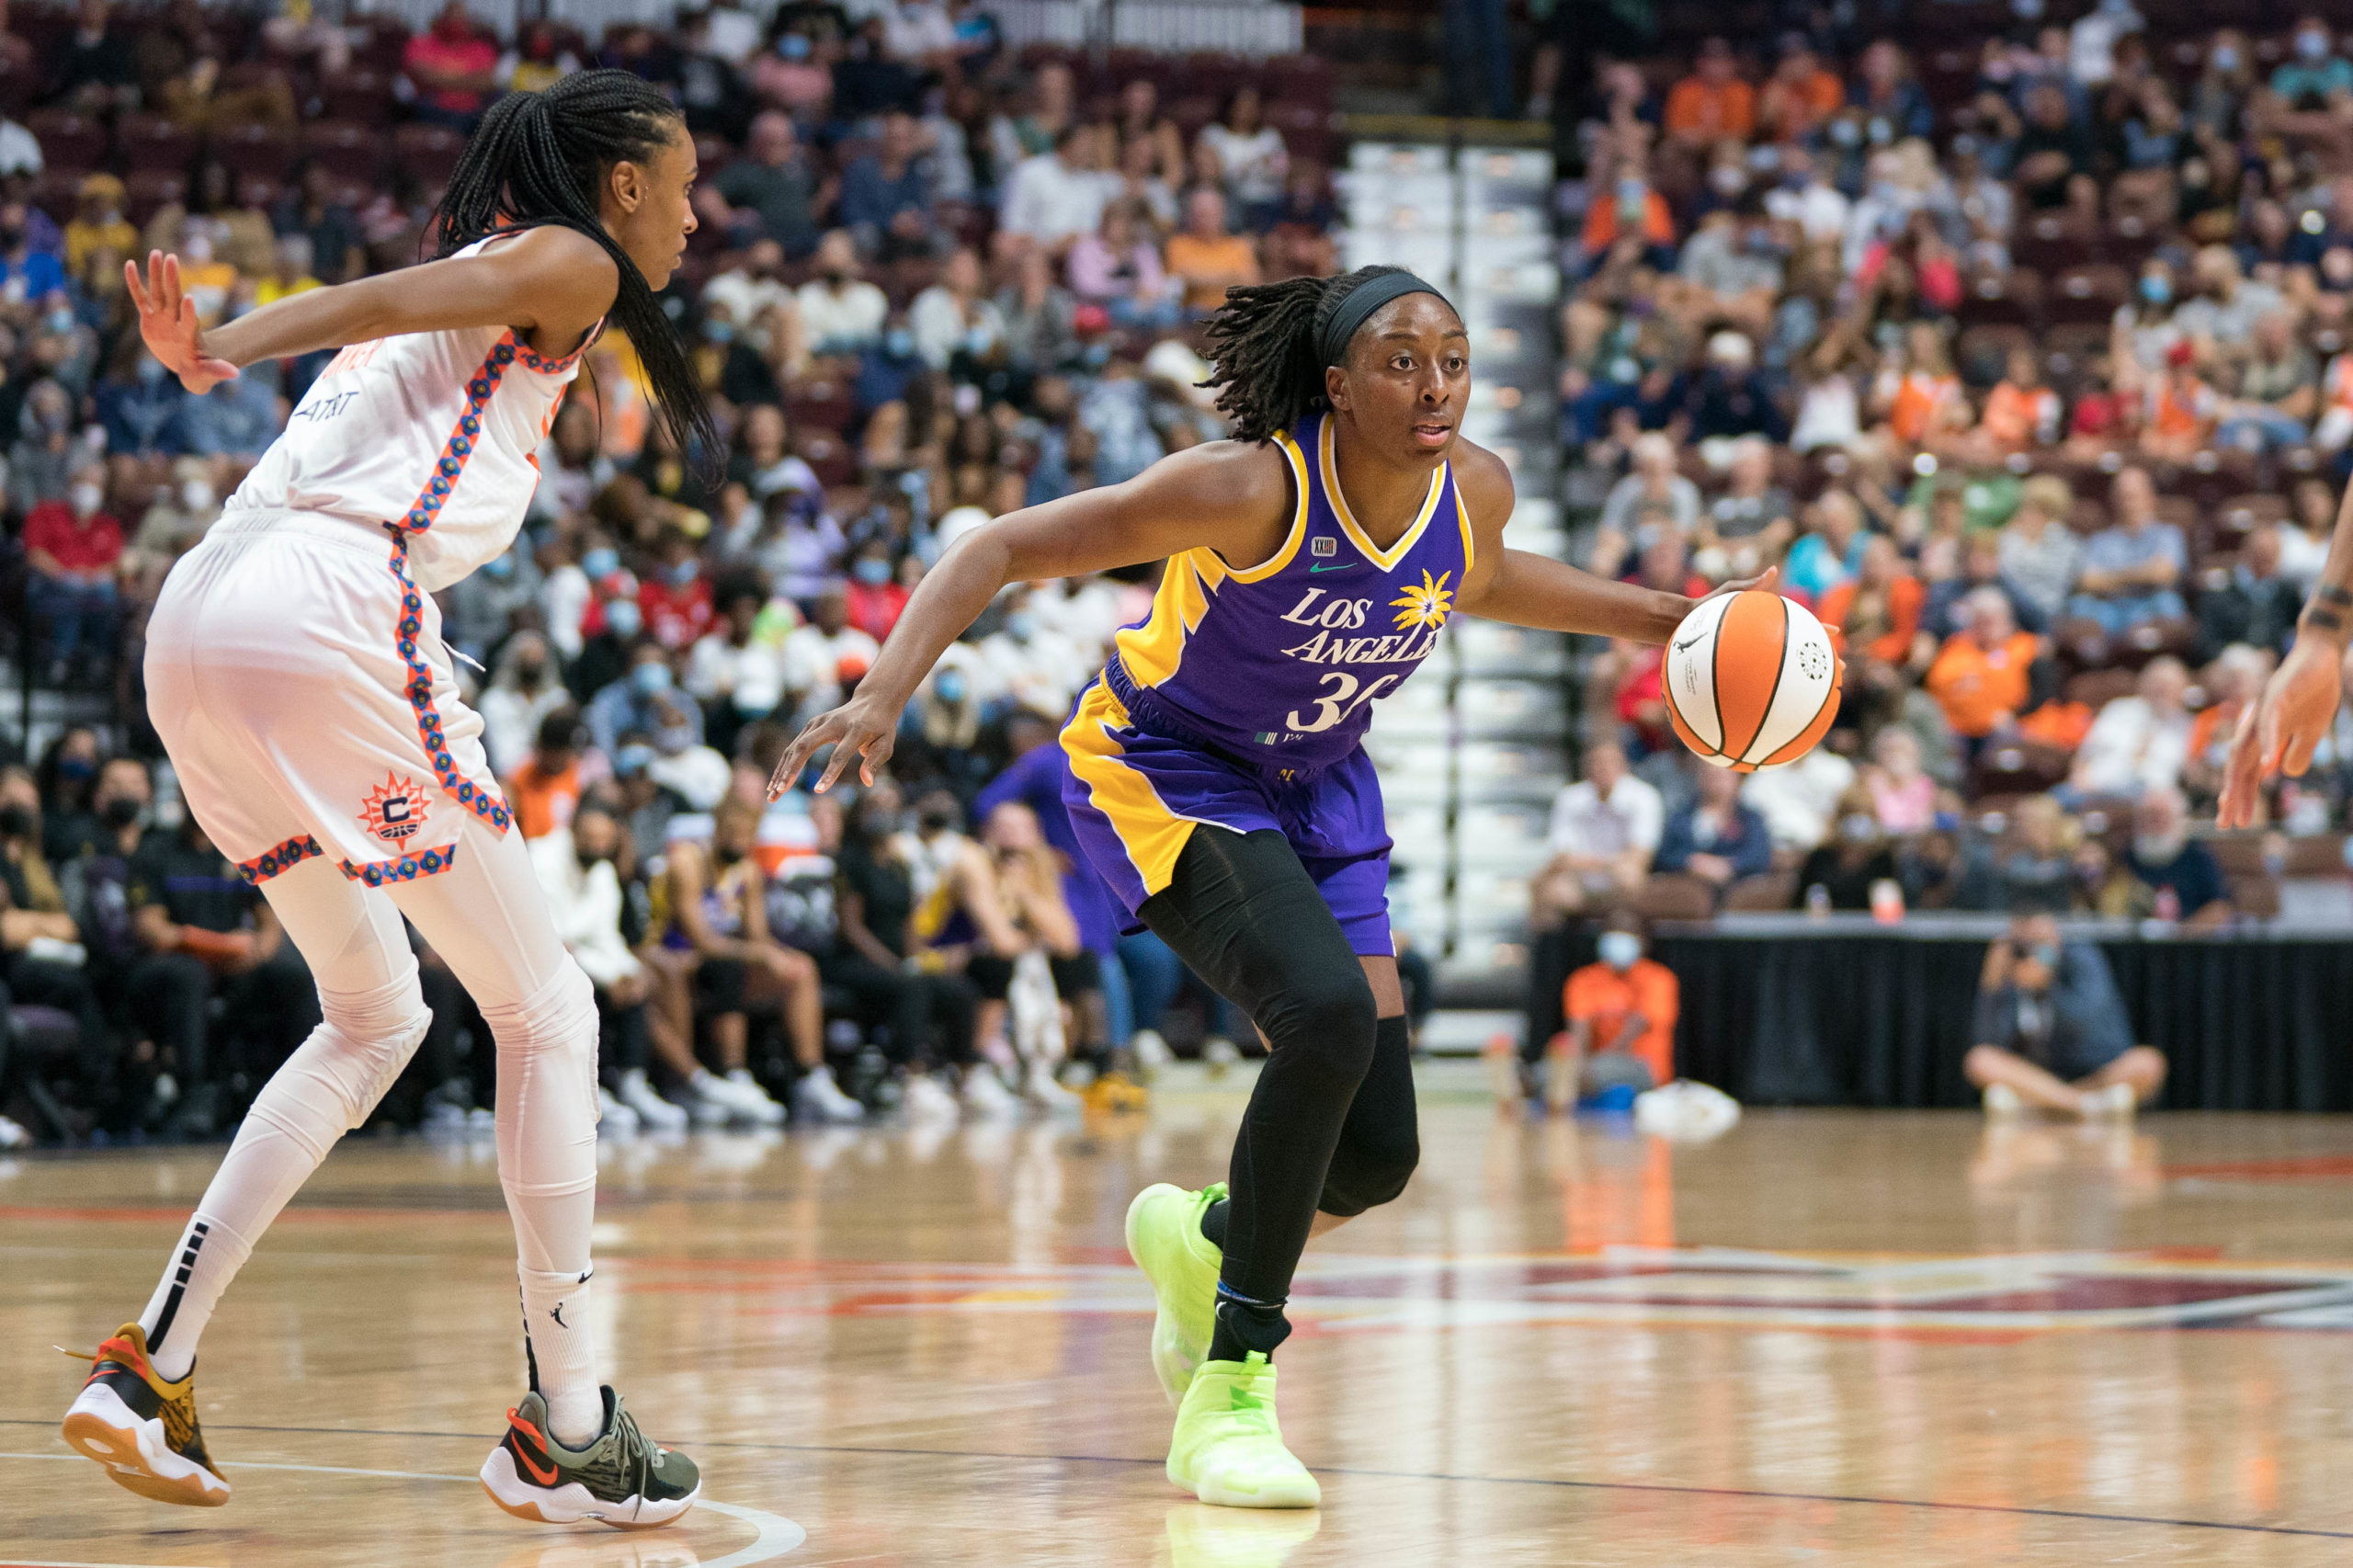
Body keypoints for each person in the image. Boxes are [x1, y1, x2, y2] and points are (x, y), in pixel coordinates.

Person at [767, 264, 1721, 1508]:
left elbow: (1479, 579)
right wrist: (886, 690)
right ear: (1335, 383)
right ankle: (1231, 1383)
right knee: (1322, 1014)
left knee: (1375, 1155)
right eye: (1399, 359)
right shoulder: (1248, 489)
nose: (1434, 384)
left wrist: (1670, 617)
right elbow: (999, 544)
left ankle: (1206, 1237)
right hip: (1167, 765)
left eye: (1454, 357)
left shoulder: (1472, 489)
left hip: (1322, 791)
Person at [66, 71, 706, 1526]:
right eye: (680, 182)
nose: (693, 211)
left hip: (203, 623)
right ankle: (568, 1423)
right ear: (616, 187)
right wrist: (217, 341)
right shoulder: (569, 257)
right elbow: (363, 299)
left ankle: (147, 1368)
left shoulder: (530, 293)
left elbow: (501, 377)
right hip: (328, 612)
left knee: (376, 1015)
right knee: (549, 1008)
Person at [1965, 910, 2165, 1118]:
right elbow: (1987, 1043)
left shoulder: (2082, 957)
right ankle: (2082, 1106)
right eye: (2024, 945)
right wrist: (1992, 988)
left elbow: (2088, 1026)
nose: (2030, 952)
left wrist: (2048, 986)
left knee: (2148, 1062)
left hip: (2088, 1074)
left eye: (2039, 944)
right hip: (2033, 1075)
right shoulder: (2006, 968)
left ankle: (2045, 1106)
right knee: (1980, 1061)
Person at [1552, 912, 1678, 1112]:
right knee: (1554, 1069)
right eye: (1613, 931)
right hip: (1592, 1066)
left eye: (1627, 932)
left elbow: (1632, 1032)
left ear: (1643, 941)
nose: (1619, 937)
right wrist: (1576, 1062)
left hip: (1642, 1067)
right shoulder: (1583, 979)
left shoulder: (1658, 978)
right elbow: (1579, 1031)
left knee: (1592, 1072)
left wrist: (1586, 1070)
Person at [1532, 741, 1660, 924]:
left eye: (1609, 763)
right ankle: (1550, 946)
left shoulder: (1644, 797)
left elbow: (1639, 858)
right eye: (1596, 762)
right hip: (1580, 882)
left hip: (1616, 883)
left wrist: (1586, 862)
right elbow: (1561, 857)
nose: (1602, 768)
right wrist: (1609, 862)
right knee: (1544, 885)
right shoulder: (1569, 797)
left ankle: (1624, 940)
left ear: (1623, 766)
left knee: (1629, 877)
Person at [1653, 761, 1773, 903]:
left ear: (1737, 780)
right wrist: (1691, 862)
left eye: (1722, 776)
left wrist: (1729, 866)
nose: (1716, 781)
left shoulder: (1750, 818)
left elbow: (1759, 855)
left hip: (1738, 887)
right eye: (1710, 775)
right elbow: (1664, 854)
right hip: (1687, 888)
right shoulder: (1681, 816)